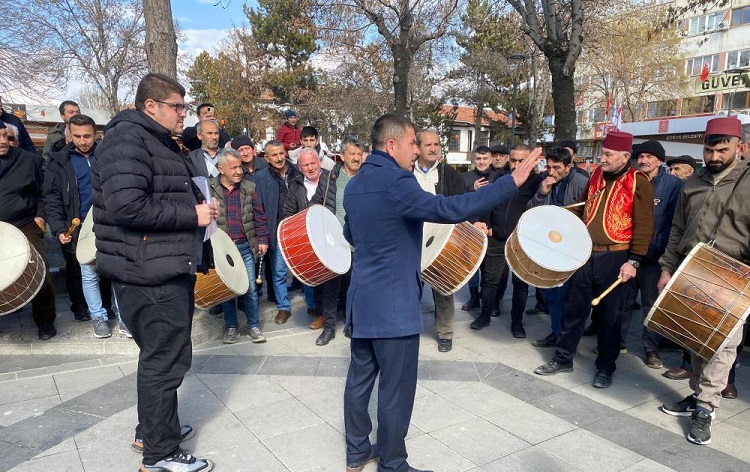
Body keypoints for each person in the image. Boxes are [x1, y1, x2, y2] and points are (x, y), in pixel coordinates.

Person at [342, 113, 543, 472]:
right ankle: (392, 463)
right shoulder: (398, 182)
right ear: (391, 145)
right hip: (394, 306)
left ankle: (357, 452)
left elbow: (350, 235)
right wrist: (509, 182)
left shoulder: (355, 184)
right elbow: (448, 209)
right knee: (395, 390)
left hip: (362, 300)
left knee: (359, 380)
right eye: (411, 143)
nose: (415, 149)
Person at [92, 73, 216, 472]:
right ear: (152, 106)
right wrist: (192, 214)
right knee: (166, 360)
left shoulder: (151, 139)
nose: (185, 114)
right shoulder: (128, 139)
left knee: (161, 356)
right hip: (149, 273)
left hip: (156, 266)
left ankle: (153, 430)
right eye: (177, 107)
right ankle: (159, 454)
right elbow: (127, 207)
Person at [534, 131, 654, 389]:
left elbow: (645, 225)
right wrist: (562, 221)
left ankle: (605, 367)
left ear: (625, 156)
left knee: (610, 316)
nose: (604, 158)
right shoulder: (597, 174)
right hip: (586, 253)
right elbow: (582, 205)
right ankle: (563, 358)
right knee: (574, 309)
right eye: (603, 153)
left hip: (617, 256)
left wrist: (633, 262)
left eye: (609, 154)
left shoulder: (638, 181)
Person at [658, 117, 749, 446]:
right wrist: (667, 268)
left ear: (739, 147)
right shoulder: (693, 181)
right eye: (709, 150)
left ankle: (706, 409)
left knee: (722, 345)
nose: (714, 156)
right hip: (690, 268)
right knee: (695, 338)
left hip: (732, 273)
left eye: (722, 150)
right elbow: (677, 230)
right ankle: (697, 397)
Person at [43, 114, 123, 336]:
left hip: (109, 222)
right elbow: (52, 198)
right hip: (78, 226)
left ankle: (118, 313)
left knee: (115, 271)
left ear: (95, 134)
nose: (82, 141)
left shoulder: (108, 156)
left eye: (87, 136)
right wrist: (59, 228)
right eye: (76, 136)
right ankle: (96, 316)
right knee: (87, 273)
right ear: (69, 134)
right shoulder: (59, 162)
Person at [619, 141, 683, 369]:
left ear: (660, 160)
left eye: (649, 156)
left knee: (650, 304)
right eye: (641, 156)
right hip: (627, 254)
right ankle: (618, 343)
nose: (644, 160)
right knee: (623, 301)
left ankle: (651, 349)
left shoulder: (673, 185)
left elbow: (673, 222)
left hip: (653, 257)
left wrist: (650, 247)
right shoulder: (628, 179)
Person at [470, 144, 544, 337]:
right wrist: (485, 222)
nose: (517, 164)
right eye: (514, 160)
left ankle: (517, 322)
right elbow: (489, 202)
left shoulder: (538, 182)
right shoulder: (501, 179)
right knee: (489, 280)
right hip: (497, 239)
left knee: (520, 284)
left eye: (522, 160)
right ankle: (484, 315)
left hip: (522, 243)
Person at [0, 121, 57, 340]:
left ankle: (45, 321)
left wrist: (41, 216)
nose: (3, 141)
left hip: (25, 223)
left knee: (40, 271)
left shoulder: (28, 161)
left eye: (6, 136)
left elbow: (44, 193)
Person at [528, 146, 589, 347]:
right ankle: (555, 333)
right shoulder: (545, 181)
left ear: (569, 166)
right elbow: (532, 213)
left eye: (557, 167)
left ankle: (566, 338)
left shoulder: (582, 183)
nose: (552, 172)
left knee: (567, 296)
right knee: (553, 293)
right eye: (549, 166)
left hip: (572, 247)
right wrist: (542, 193)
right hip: (550, 245)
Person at [413, 128, 464, 352]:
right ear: (418, 147)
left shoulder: (448, 174)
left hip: (441, 240)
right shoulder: (407, 172)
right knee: (411, 289)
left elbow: (459, 204)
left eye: (436, 145)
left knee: (443, 289)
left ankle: (445, 333)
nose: (433, 149)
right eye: (428, 145)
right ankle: (410, 328)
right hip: (413, 239)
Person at [210, 148, 269, 344]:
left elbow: (260, 217)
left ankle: (253, 326)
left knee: (251, 288)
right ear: (221, 169)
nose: (238, 171)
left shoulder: (249, 188)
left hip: (245, 247)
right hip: (223, 249)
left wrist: (263, 240)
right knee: (228, 290)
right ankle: (231, 327)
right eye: (233, 167)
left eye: (239, 167)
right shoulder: (209, 190)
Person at [309, 136, 364, 346]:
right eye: (352, 154)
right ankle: (329, 328)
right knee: (330, 288)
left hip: (358, 244)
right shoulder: (330, 177)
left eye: (359, 154)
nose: (357, 158)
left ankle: (352, 325)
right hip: (334, 243)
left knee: (354, 287)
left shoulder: (367, 178)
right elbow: (316, 202)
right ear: (342, 156)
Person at [254, 140, 300, 324]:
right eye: (274, 155)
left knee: (303, 267)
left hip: (298, 228)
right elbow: (259, 210)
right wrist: (263, 235)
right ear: (266, 158)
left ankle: (313, 305)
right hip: (276, 231)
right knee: (279, 272)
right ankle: (283, 307)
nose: (280, 158)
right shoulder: (261, 178)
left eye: (282, 153)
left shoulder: (297, 171)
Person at [282, 149, 327, 323]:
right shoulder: (295, 185)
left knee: (333, 281)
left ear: (319, 162)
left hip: (329, 236)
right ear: (299, 167)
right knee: (313, 279)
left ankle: (334, 313)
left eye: (313, 163)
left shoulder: (331, 180)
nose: (310, 168)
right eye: (305, 165)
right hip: (307, 239)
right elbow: (289, 212)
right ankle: (317, 311)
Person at [459, 146, 498, 312]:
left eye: (485, 159)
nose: (481, 162)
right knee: (471, 267)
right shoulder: (464, 178)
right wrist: (472, 190)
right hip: (470, 229)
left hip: (491, 230)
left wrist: (494, 227)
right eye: (478, 159)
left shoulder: (498, 177)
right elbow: (458, 202)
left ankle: (490, 301)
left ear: (490, 160)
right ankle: (474, 296)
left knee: (490, 269)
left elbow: (501, 204)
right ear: (473, 160)